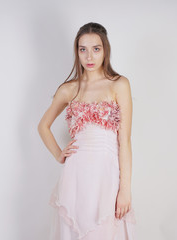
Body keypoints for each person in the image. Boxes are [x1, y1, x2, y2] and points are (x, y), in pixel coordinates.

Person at [38, 22, 136, 240]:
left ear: (105, 50)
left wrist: (125, 189)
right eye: (83, 49)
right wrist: (59, 154)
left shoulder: (119, 84)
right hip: (76, 174)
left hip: (107, 174)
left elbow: (125, 141)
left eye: (96, 49)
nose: (89, 56)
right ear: (77, 52)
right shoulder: (69, 89)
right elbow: (43, 126)